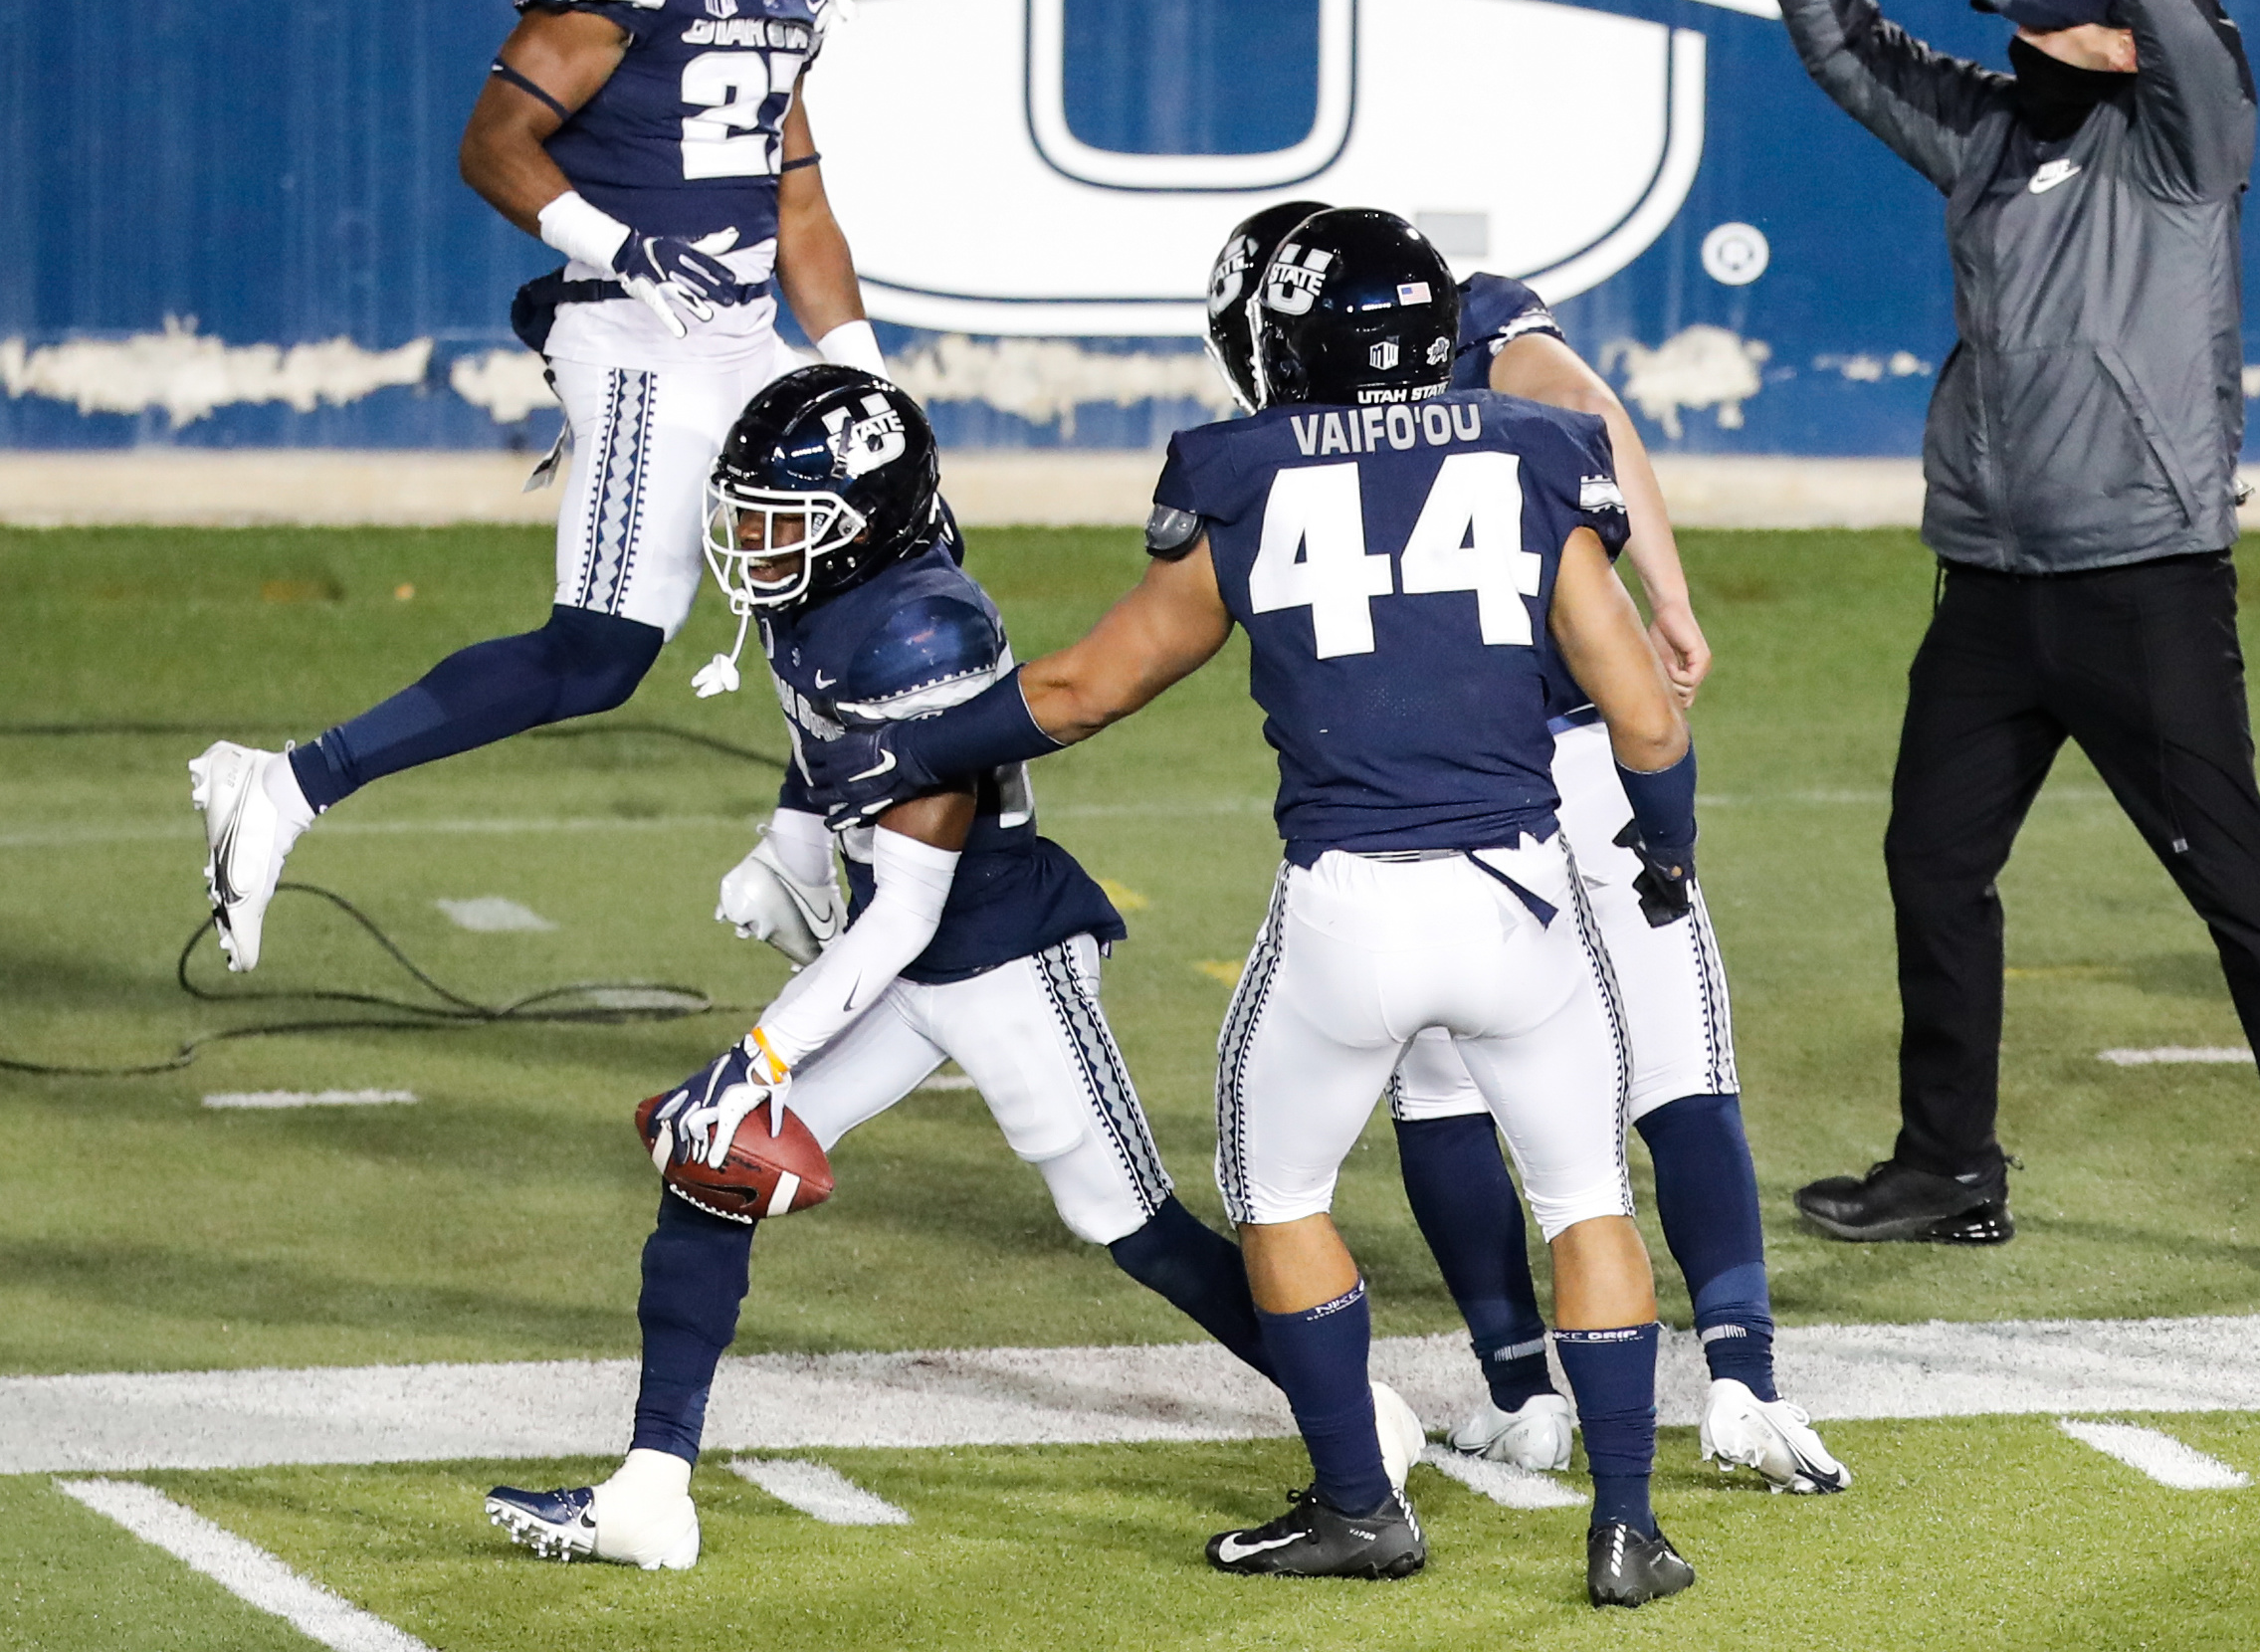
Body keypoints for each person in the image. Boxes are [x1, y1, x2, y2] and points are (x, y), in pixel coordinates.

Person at [848, 209, 1702, 1603]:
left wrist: (905, 748)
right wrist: (1662, 847)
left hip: (1350, 912)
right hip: (1524, 904)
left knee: (1276, 1190)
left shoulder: (1244, 474)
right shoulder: (1536, 455)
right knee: (1589, 1200)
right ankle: (1628, 1530)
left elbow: (1083, 692)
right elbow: (1646, 716)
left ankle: (1362, 1509)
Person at [482, 367, 1418, 1568]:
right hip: (901, 944)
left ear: (861, 522)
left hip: (996, 956)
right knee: (712, 1167)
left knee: (1136, 1227)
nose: (755, 545)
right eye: (751, 514)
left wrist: (759, 1049)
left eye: (784, 520)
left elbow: (913, 912)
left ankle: (1363, 1417)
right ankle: (652, 1487)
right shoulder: (828, 591)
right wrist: (793, 842)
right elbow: (826, 746)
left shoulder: (924, 626)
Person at [1738, 0, 2260, 1283]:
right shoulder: (1980, 138)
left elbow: (2200, 42)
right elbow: (1849, 53)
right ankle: (1949, 1165)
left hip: (2143, 585)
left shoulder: (2186, 155)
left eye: (2051, 29)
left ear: (2115, 48)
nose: (2018, 49)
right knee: (1931, 865)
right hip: (1988, 587)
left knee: (2235, 884)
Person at [190, 0, 898, 973]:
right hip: (633, 332)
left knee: (890, 540)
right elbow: (493, 146)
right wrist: (621, 244)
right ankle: (284, 785)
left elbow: (798, 199)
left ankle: (798, 851)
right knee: (599, 653)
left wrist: (857, 363)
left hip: (734, 332)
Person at [1201, 206, 1842, 1490]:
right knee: (1668, 1057)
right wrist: (1663, 598)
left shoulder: (1385, 363)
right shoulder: (1469, 328)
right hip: (1576, 749)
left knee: (1443, 1087)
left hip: (1443, 783)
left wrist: (1655, 598)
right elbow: (1593, 413)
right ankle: (1740, 1381)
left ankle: (1519, 1390)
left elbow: (1578, 407)